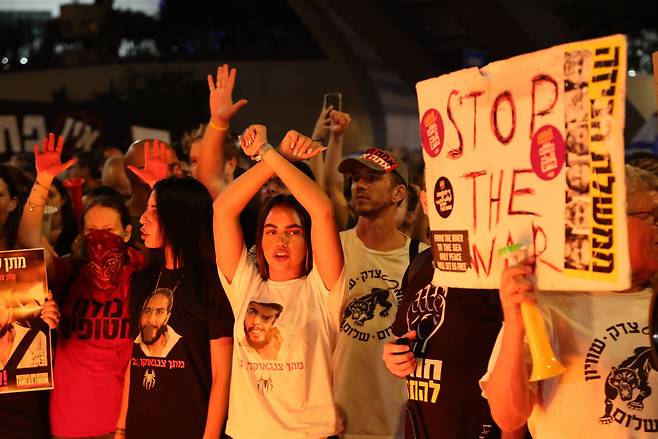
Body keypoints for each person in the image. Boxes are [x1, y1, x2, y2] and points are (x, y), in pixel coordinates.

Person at [482, 164, 658, 438]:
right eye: (652, 216)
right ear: (609, 223)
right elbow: (508, 416)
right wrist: (515, 325)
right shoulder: (547, 304)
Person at [214, 125, 344, 438]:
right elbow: (222, 209)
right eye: (271, 231)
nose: (280, 242)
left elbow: (323, 210)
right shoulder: (246, 284)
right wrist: (277, 156)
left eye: (293, 232)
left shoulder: (322, 288)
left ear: (308, 239)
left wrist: (269, 152)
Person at [17, 133, 144, 439]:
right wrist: (43, 182)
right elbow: (27, 243)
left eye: (109, 230)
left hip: (121, 424)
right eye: (92, 230)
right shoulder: (69, 272)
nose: (100, 239)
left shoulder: (140, 274)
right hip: (69, 423)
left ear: (126, 233)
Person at [116, 171, 234, 439]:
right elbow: (134, 361)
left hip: (190, 426)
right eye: (146, 208)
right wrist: (121, 427)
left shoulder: (211, 283)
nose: (143, 219)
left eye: (154, 210)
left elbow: (222, 375)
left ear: (181, 217)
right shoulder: (143, 279)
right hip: (140, 426)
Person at [381, 187, 506, 439]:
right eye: (435, 190)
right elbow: (404, 340)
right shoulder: (420, 266)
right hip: (423, 427)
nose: (444, 198)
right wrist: (394, 357)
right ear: (425, 201)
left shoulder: (493, 265)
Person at [333, 147, 426, 439]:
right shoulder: (334, 247)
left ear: (398, 193)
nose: (359, 184)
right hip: (335, 419)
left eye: (372, 178)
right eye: (356, 178)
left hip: (395, 420)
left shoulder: (421, 259)